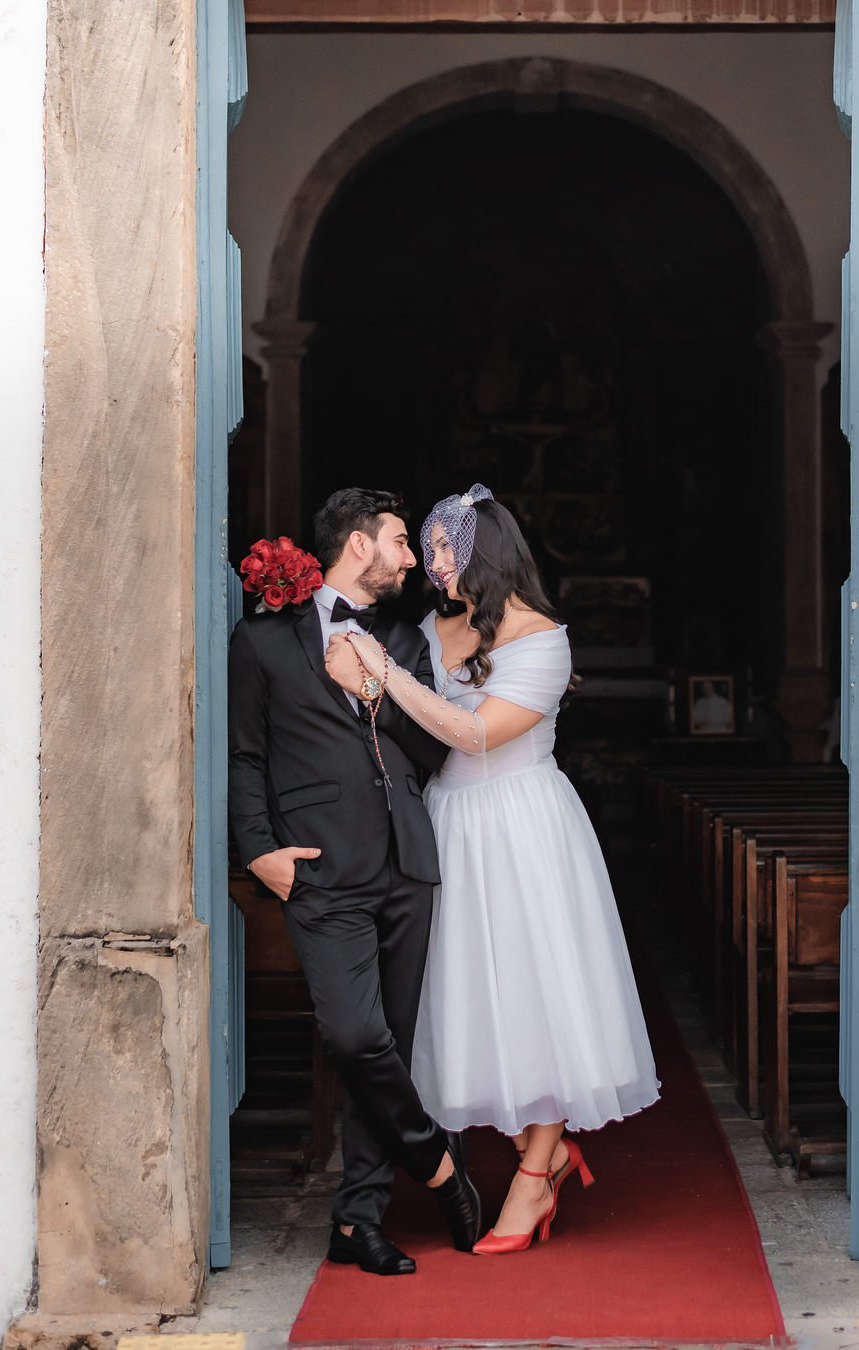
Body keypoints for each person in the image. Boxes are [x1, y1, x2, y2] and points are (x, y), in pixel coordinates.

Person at [328, 486, 660, 1255]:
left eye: (442, 550)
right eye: (431, 550)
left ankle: (536, 1172)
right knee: (467, 990)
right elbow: (392, 717)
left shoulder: (544, 640)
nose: (430, 564)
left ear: (483, 554)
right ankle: (528, 1145)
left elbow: (477, 734)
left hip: (523, 824)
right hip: (451, 823)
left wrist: (386, 675)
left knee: (537, 989)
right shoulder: (432, 626)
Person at [228, 487, 484, 1277]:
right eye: (402, 542)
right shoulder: (263, 639)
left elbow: (435, 749)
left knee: (392, 1049)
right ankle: (439, 1164)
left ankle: (358, 1221)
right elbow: (243, 756)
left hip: (407, 864)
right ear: (359, 544)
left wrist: (373, 683)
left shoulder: (405, 639)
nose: (412, 558)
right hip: (318, 873)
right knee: (354, 1035)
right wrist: (259, 852)